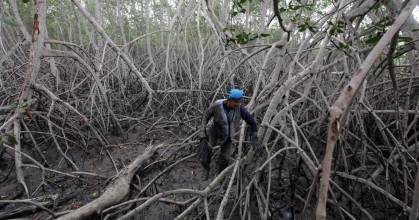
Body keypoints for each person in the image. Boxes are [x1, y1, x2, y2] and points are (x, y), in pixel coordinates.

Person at [199, 88, 260, 180]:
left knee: (225, 158)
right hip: (214, 132)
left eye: (239, 102)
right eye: (236, 102)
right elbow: (206, 116)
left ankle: (220, 176)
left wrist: (254, 135)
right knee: (205, 151)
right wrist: (202, 132)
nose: (238, 104)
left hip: (229, 136)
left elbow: (252, 122)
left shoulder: (240, 109)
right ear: (229, 100)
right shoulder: (217, 105)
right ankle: (206, 169)